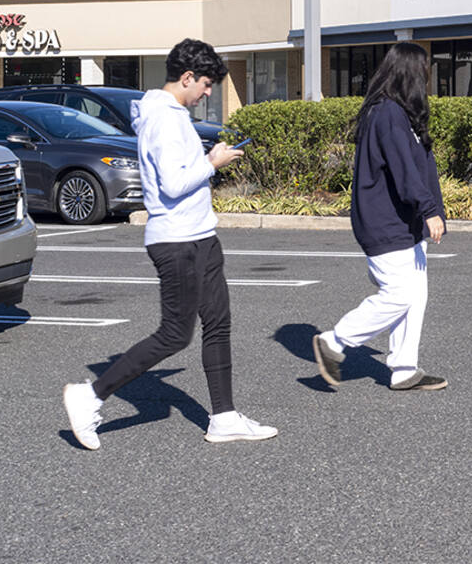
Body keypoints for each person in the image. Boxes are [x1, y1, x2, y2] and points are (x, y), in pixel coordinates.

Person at [61, 38, 277, 449]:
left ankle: (224, 417)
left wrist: (207, 160)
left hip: (200, 234)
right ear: (187, 77)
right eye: (207, 84)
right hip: (176, 240)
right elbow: (175, 183)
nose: (208, 93)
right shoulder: (163, 118)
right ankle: (89, 396)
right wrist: (213, 162)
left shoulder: (170, 114)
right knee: (175, 335)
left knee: (218, 323)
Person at [312, 42, 448, 392]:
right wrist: (429, 210)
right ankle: (335, 341)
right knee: (400, 294)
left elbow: (420, 168)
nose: (427, 77)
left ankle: (404, 369)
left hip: (407, 224)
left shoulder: (401, 113)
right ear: (409, 73)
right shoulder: (387, 114)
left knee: (415, 296)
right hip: (386, 222)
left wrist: (431, 212)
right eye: (424, 69)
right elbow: (404, 171)